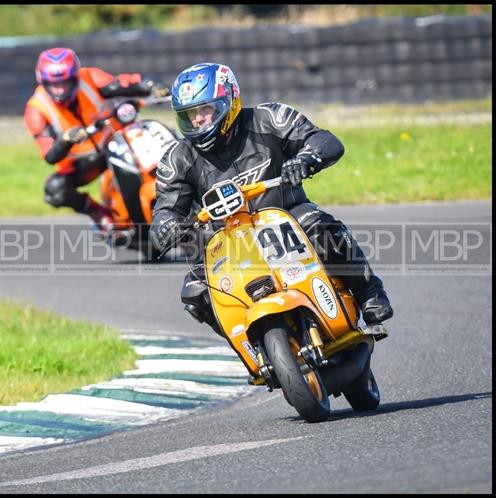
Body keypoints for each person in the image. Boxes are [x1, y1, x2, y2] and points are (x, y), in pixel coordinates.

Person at [149, 62, 393, 337]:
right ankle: (250, 348)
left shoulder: (269, 118)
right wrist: (167, 226)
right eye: (189, 115)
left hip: (288, 213)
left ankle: (369, 293)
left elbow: (324, 140)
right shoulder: (177, 158)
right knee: (196, 292)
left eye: (204, 110)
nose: (197, 121)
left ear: (229, 100)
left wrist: (306, 158)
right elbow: (165, 209)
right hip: (228, 241)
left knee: (322, 229)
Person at [24, 47, 170, 233]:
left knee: (164, 143)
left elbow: (127, 83)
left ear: (74, 77)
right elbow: (50, 155)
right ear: (43, 81)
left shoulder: (90, 77)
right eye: (54, 84)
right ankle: (99, 214)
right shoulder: (36, 109)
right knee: (54, 190)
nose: (60, 89)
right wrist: (65, 140)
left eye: (65, 82)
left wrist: (152, 86)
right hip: (85, 163)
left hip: (118, 141)